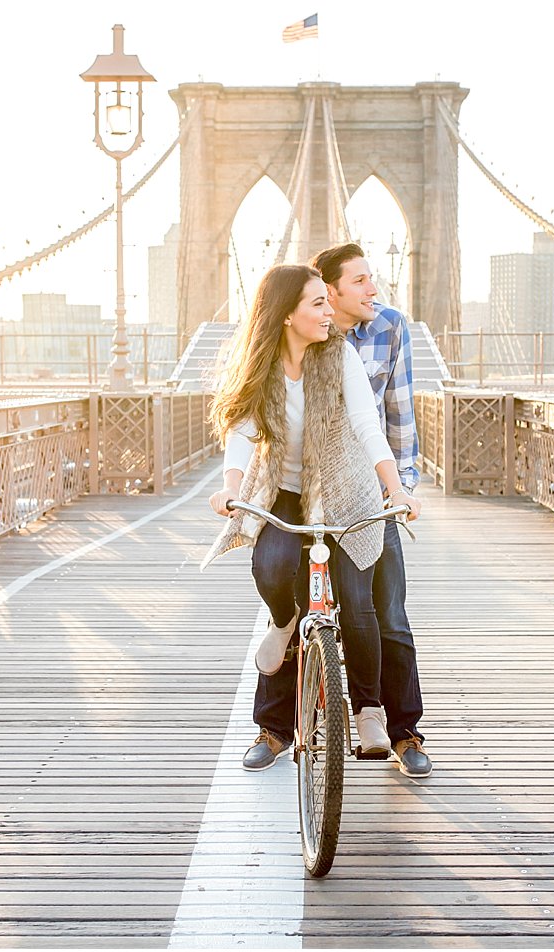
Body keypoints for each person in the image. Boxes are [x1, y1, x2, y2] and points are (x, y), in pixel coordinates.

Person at [203, 263, 423, 778]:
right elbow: (242, 427)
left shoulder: (339, 354)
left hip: (349, 490)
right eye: (318, 304)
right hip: (285, 489)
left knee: (362, 605)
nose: (330, 313)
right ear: (286, 315)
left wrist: (396, 489)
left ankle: (370, 713)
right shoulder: (262, 365)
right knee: (271, 566)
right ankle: (283, 635)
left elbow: (370, 425)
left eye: (329, 301)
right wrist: (231, 488)